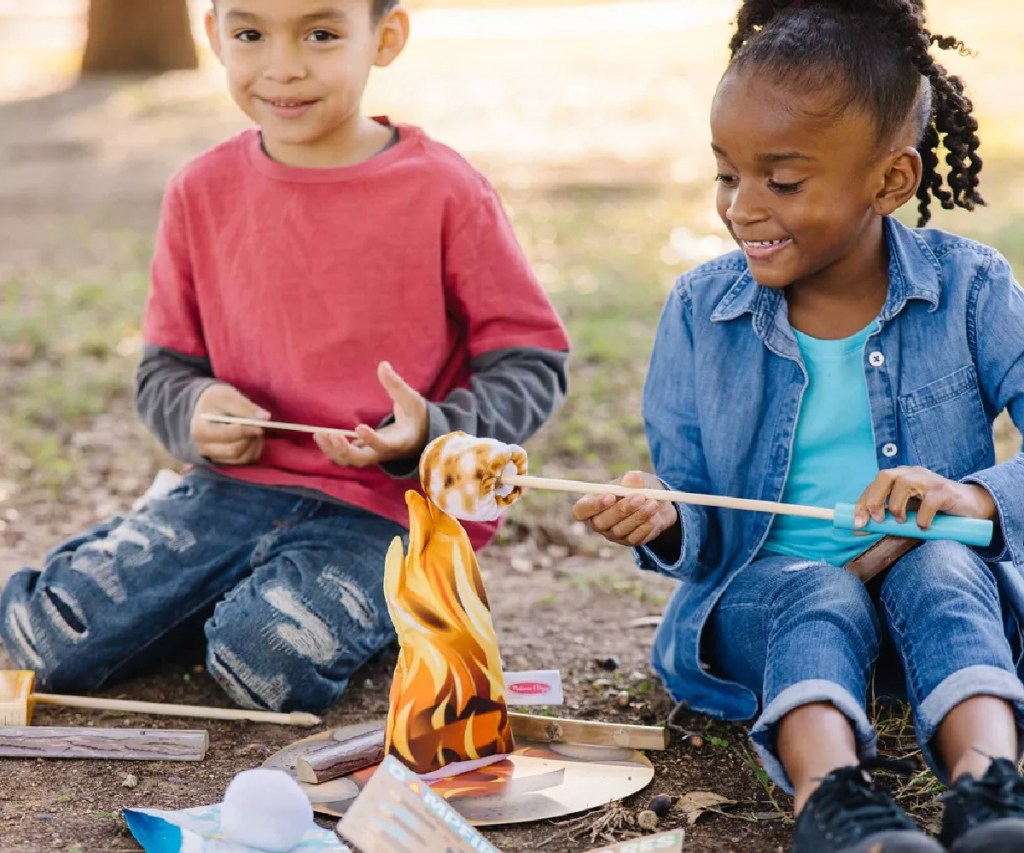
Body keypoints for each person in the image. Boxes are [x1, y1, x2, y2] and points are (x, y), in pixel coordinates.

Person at [0, 0, 569, 715]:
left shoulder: (446, 190)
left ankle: (379, 598)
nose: (283, 65)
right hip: (231, 491)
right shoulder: (199, 191)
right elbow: (163, 371)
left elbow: (531, 360)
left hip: (389, 510)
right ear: (214, 37)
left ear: (385, 37)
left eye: (322, 34)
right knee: (50, 634)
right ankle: (200, 591)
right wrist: (197, 409)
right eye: (250, 34)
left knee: (264, 662)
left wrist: (428, 431)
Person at [573, 2, 1024, 851]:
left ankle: (991, 791)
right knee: (813, 589)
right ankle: (834, 804)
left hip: (926, 616)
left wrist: (967, 495)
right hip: (765, 612)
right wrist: (666, 516)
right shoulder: (701, 311)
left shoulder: (971, 290)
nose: (742, 207)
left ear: (891, 180)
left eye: (782, 182)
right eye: (726, 175)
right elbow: (696, 512)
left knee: (944, 565)